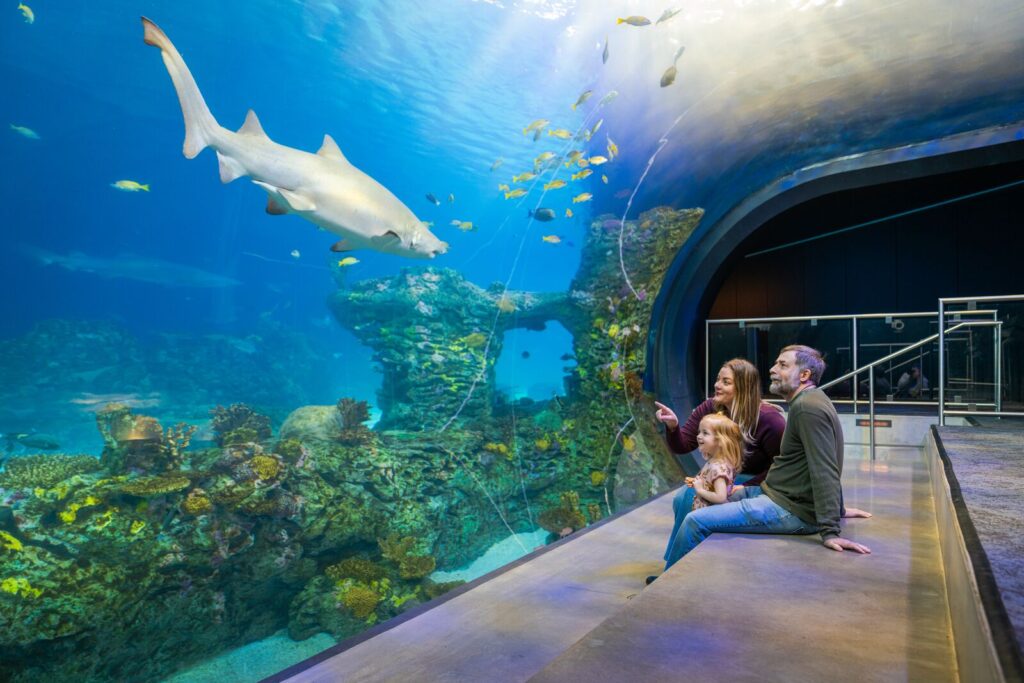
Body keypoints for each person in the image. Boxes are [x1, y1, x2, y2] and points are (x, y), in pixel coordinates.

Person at [650, 345, 871, 583]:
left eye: (783, 365)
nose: (772, 369)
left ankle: (671, 584)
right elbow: (809, 462)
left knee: (696, 521)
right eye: (776, 363)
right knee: (686, 496)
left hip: (789, 508)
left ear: (805, 375)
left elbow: (824, 467)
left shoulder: (804, 409)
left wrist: (830, 529)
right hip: (774, 493)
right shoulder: (805, 403)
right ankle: (675, 567)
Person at [654, 358, 787, 567]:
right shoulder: (710, 407)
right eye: (718, 379)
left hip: (758, 482)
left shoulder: (769, 419)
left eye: (726, 382)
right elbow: (683, 445)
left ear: (743, 387)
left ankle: (680, 563)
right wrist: (673, 426)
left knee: (691, 496)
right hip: (725, 477)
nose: (717, 385)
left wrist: (746, 486)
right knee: (683, 497)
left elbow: (782, 465)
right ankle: (676, 561)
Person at [689, 414, 744, 510]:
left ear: (720, 441)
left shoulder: (718, 468)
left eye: (705, 433)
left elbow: (720, 497)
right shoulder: (715, 461)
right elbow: (711, 485)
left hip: (708, 516)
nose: (698, 436)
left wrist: (700, 490)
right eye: (699, 432)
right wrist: (698, 482)